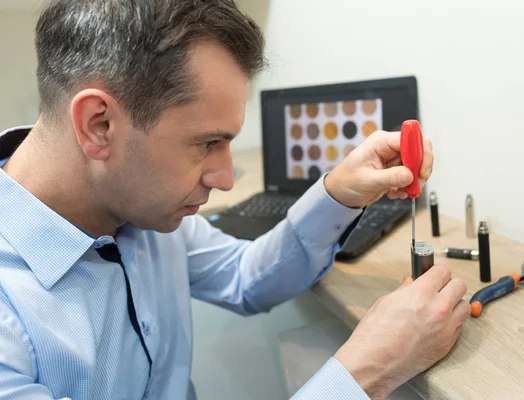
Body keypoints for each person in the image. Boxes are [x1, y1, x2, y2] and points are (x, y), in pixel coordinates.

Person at [0, 1, 469, 399]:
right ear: (99, 124)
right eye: (207, 143)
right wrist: (365, 371)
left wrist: (337, 195)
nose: (225, 178)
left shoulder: (138, 209)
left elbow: (245, 278)